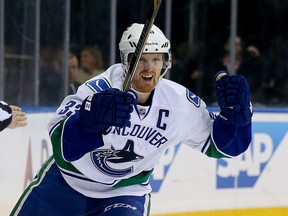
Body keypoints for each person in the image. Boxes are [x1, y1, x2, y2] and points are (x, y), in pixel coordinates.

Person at [11, 23, 253, 216]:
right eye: (141, 60)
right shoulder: (97, 90)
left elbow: (221, 146)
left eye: (156, 59)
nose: (148, 68)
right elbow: (62, 147)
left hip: (125, 192)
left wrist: (237, 118)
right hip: (66, 182)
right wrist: (88, 122)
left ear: (165, 63)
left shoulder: (179, 102)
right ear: (126, 61)